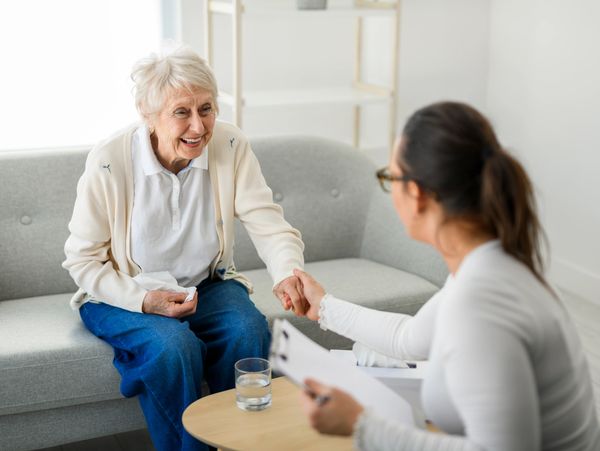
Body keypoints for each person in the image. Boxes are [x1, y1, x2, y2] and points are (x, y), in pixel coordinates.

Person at [294, 101, 600, 450]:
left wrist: (361, 425)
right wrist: (324, 307)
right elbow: (407, 338)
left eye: (390, 177)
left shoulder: (480, 304)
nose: (389, 189)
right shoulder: (488, 265)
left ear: (417, 194)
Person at [62, 45, 307, 451]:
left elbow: (268, 222)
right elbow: (82, 260)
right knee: (173, 347)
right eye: (181, 112)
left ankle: (245, 444)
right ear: (148, 114)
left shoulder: (229, 144)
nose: (199, 126)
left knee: (248, 329)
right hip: (122, 293)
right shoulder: (110, 160)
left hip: (204, 285)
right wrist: (145, 301)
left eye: (207, 109)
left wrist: (287, 272)